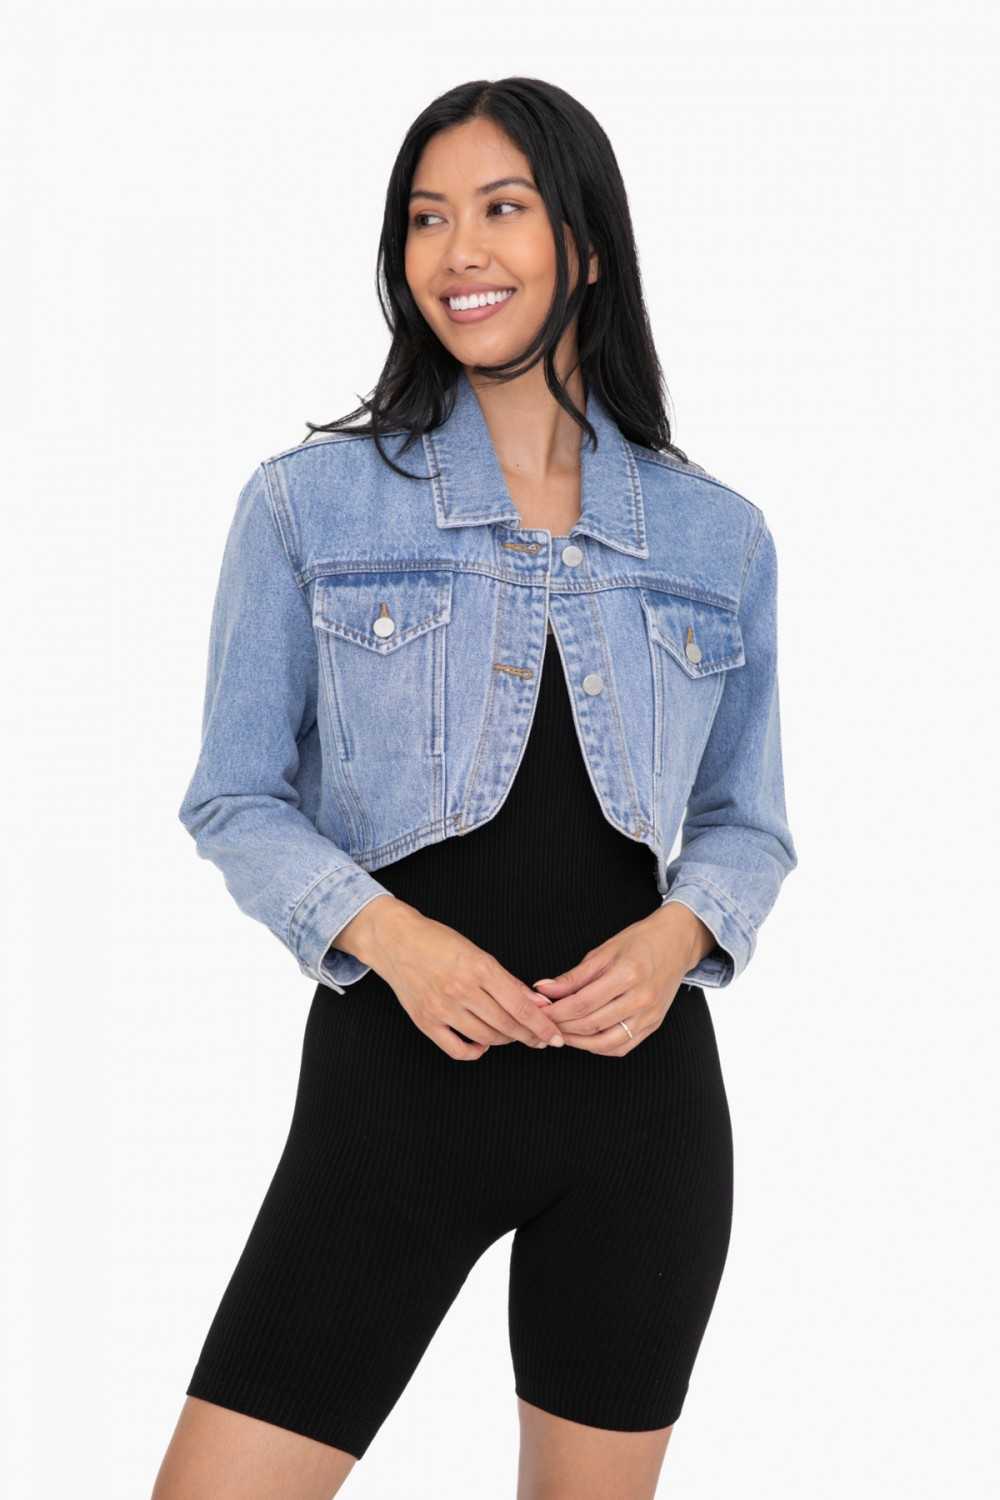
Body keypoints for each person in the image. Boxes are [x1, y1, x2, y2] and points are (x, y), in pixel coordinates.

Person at [152, 76, 797, 1500]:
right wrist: (395, 939)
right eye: (426, 219)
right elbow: (234, 796)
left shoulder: (719, 536)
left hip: (644, 1120)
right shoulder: (306, 505)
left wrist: (677, 938)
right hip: (395, 1104)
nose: (459, 253)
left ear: (587, 246)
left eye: (501, 208)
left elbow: (747, 824)